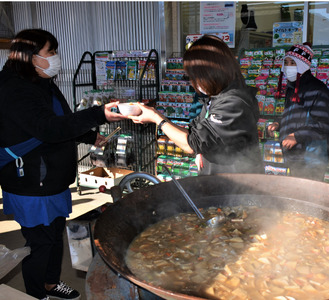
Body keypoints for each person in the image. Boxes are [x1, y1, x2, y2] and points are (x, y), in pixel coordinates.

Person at [0, 29, 127, 300]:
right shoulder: (14, 88)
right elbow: (47, 128)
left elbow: (61, 118)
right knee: (40, 242)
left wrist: (90, 135)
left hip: (51, 177)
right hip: (31, 181)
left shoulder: (40, 79)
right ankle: (36, 294)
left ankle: (50, 283)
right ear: (30, 56)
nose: (56, 57)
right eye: (51, 52)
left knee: (54, 234)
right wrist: (99, 114)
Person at [130, 35, 263, 175]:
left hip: (237, 188)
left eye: (193, 76)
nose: (193, 82)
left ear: (209, 72)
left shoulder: (233, 103)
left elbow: (193, 144)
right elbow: (194, 135)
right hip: (218, 183)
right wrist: (156, 115)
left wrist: (156, 118)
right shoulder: (214, 97)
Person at [268, 43, 329, 181]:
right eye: (286, 62)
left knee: (308, 196)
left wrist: (296, 136)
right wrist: (278, 123)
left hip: (311, 159)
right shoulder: (292, 87)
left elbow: (324, 125)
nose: (288, 66)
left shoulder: (318, 90)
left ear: (302, 65)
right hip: (294, 156)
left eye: (292, 62)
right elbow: (291, 113)